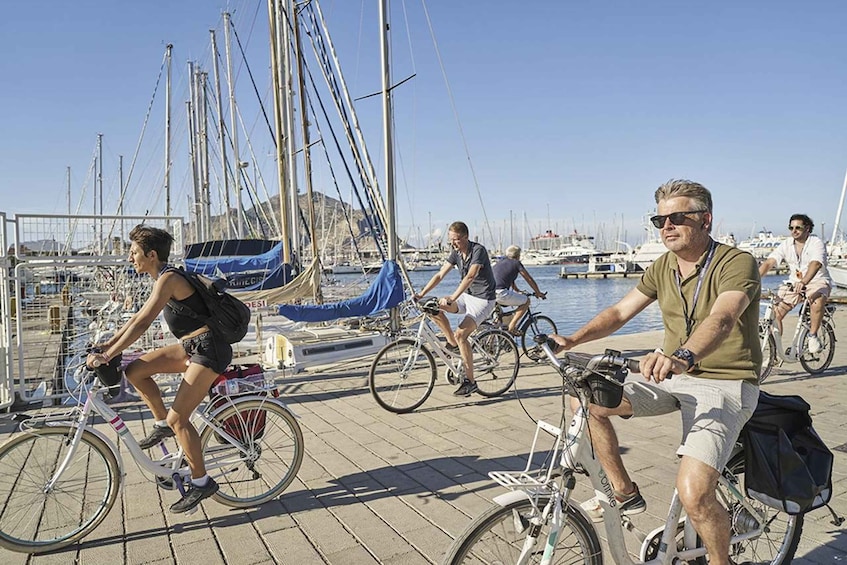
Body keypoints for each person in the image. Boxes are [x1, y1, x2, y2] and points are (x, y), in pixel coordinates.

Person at [551, 179, 761, 565]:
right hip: (670, 374)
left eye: (677, 217)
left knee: (694, 493)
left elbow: (724, 317)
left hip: (725, 383)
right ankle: (624, 491)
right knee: (590, 397)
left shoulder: (736, 262)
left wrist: (683, 355)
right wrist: (571, 340)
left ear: (706, 220)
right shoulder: (663, 266)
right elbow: (618, 313)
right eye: (659, 219)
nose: (666, 226)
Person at [86, 224, 232, 514]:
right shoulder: (161, 279)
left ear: (151, 255)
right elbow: (137, 318)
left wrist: (110, 354)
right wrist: (107, 346)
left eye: (134, 253)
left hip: (209, 349)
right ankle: (161, 424)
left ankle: (202, 482)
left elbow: (142, 324)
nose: (131, 258)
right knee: (135, 371)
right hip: (192, 346)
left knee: (181, 419)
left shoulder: (169, 279)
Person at [413, 221, 497, 397]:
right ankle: (452, 344)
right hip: (467, 297)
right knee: (433, 307)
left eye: (456, 240)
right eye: (451, 240)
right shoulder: (456, 253)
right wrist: (421, 294)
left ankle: (471, 382)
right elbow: (439, 275)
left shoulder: (478, 251)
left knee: (462, 334)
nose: (453, 243)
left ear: (466, 237)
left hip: (483, 300)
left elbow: (470, 276)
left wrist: (452, 297)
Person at [758, 214, 831, 353]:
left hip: (817, 280)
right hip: (794, 282)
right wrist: (755, 278)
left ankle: (813, 335)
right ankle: (775, 351)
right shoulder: (787, 244)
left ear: (807, 228)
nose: (794, 231)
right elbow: (769, 262)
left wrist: (804, 281)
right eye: (791, 227)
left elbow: (815, 264)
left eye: (798, 227)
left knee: (817, 300)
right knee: (776, 313)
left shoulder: (816, 243)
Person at [492, 245, 546, 335]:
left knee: (498, 320)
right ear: (518, 255)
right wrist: (538, 292)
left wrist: (517, 290)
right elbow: (528, 279)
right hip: (501, 292)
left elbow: (509, 278)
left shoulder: (500, 262)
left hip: (490, 293)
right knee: (526, 301)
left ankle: (495, 340)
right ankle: (512, 326)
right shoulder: (516, 263)